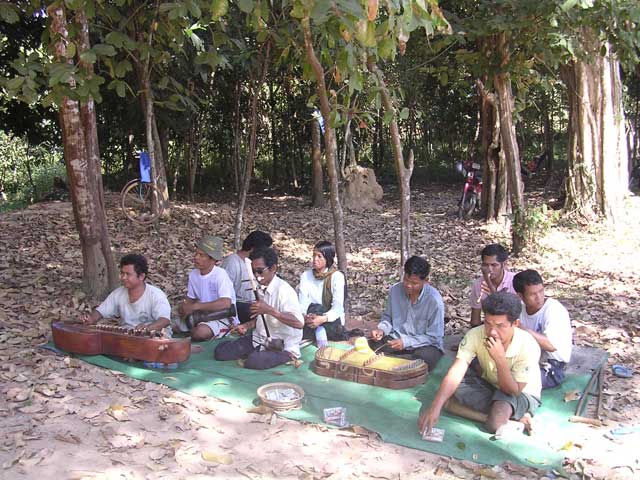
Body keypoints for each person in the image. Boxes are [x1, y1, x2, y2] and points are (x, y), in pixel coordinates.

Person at [418, 292, 541, 436]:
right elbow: (457, 371)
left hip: (519, 392)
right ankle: (509, 416)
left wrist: (500, 359)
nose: (492, 332)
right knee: (454, 385)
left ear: (515, 324)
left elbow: (513, 391)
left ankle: (499, 416)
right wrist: (435, 407)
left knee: (495, 424)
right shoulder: (475, 334)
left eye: (500, 326)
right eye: (488, 323)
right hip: (489, 384)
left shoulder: (528, 345)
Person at [214, 247, 304, 370]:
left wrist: (270, 310)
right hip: (260, 338)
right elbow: (263, 319)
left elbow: (299, 323)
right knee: (221, 352)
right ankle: (255, 351)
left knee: (254, 361)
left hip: (282, 345)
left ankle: (272, 355)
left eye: (260, 271)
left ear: (273, 268)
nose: (256, 276)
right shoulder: (260, 286)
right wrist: (247, 326)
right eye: (253, 271)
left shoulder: (285, 291)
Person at [369, 256, 444, 372]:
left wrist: (406, 342)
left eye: (414, 283)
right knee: (372, 346)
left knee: (426, 358)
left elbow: (434, 336)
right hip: (396, 339)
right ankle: (399, 362)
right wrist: (381, 330)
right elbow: (388, 317)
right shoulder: (395, 290)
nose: (408, 285)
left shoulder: (434, 301)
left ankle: (397, 363)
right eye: (406, 280)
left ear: (426, 281)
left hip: (423, 346)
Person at [83, 254, 171, 334]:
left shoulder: (156, 295)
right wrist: (91, 319)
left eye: (128, 274)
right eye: (122, 273)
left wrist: (148, 328)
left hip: (153, 337)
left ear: (141, 276)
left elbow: (164, 320)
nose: (123, 277)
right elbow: (100, 311)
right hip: (127, 337)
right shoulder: (118, 294)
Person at [513, 269, 572, 388]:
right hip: (526, 361)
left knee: (514, 382)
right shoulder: (520, 310)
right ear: (520, 295)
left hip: (552, 368)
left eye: (541, 291)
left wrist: (523, 329)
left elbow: (551, 346)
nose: (539, 297)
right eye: (532, 294)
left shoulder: (553, 310)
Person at [175, 235, 237, 341]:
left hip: (222, 317)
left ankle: (225, 330)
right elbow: (190, 298)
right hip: (201, 315)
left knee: (199, 333)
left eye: (201, 255)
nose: (196, 257)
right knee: (173, 327)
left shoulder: (220, 275)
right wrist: (184, 307)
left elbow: (226, 303)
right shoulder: (193, 274)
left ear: (213, 260)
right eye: (196, 253)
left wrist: (196, 306)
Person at [297, 241, 346, 347]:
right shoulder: (306, 276)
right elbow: (303, 302)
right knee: (313, 309)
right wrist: (305, 316)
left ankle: (319, 333)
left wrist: (322, 319)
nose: (315, 259)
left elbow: (337, 308)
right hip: (311, 317)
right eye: (314, 255)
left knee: (318, 309)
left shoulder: (337, 277)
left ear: (327, 258)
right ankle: (316, 332)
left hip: (330, 320)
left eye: (319, 256)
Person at [221, 230, 273, 323]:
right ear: (253, 249)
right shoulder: (232, 262)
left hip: (258, 302)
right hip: (240, 305)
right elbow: (226, 295)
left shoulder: (256, 262)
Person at [469, 244, 516, 327]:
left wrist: (490, 286)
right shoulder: (478, 285)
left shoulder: (514, 281)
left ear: (504, 264)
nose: (489, 269)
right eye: (485, 265)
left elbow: (513, 316)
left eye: (494, 265)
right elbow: (475, 321)